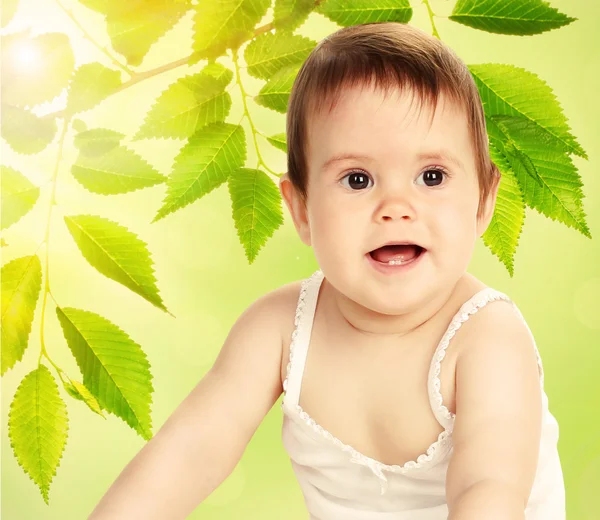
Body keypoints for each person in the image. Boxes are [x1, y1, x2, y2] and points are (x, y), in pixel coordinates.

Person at [88, 22, 565, 520]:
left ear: (483, 201)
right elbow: (190, 450)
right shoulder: (278, 329)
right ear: (301, 210)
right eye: (357, 179)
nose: (396, 207)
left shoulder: (487, 338)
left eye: (432, 176)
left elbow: (487, 487)